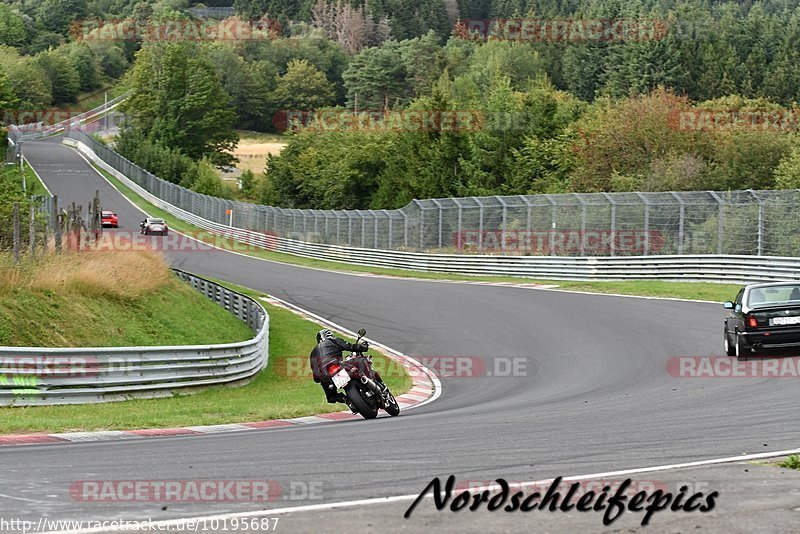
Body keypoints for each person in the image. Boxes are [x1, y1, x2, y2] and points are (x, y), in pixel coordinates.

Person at [310, 329, 369, 404]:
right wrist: (362, 347)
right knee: (357, 365)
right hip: (337, 365)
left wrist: (321, 379)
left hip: (325, 376)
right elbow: (350, 347)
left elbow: (316, 377)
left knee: (331, 397)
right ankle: (364, 381)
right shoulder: (334, 340)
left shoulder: (312, 354)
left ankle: (347, 400)